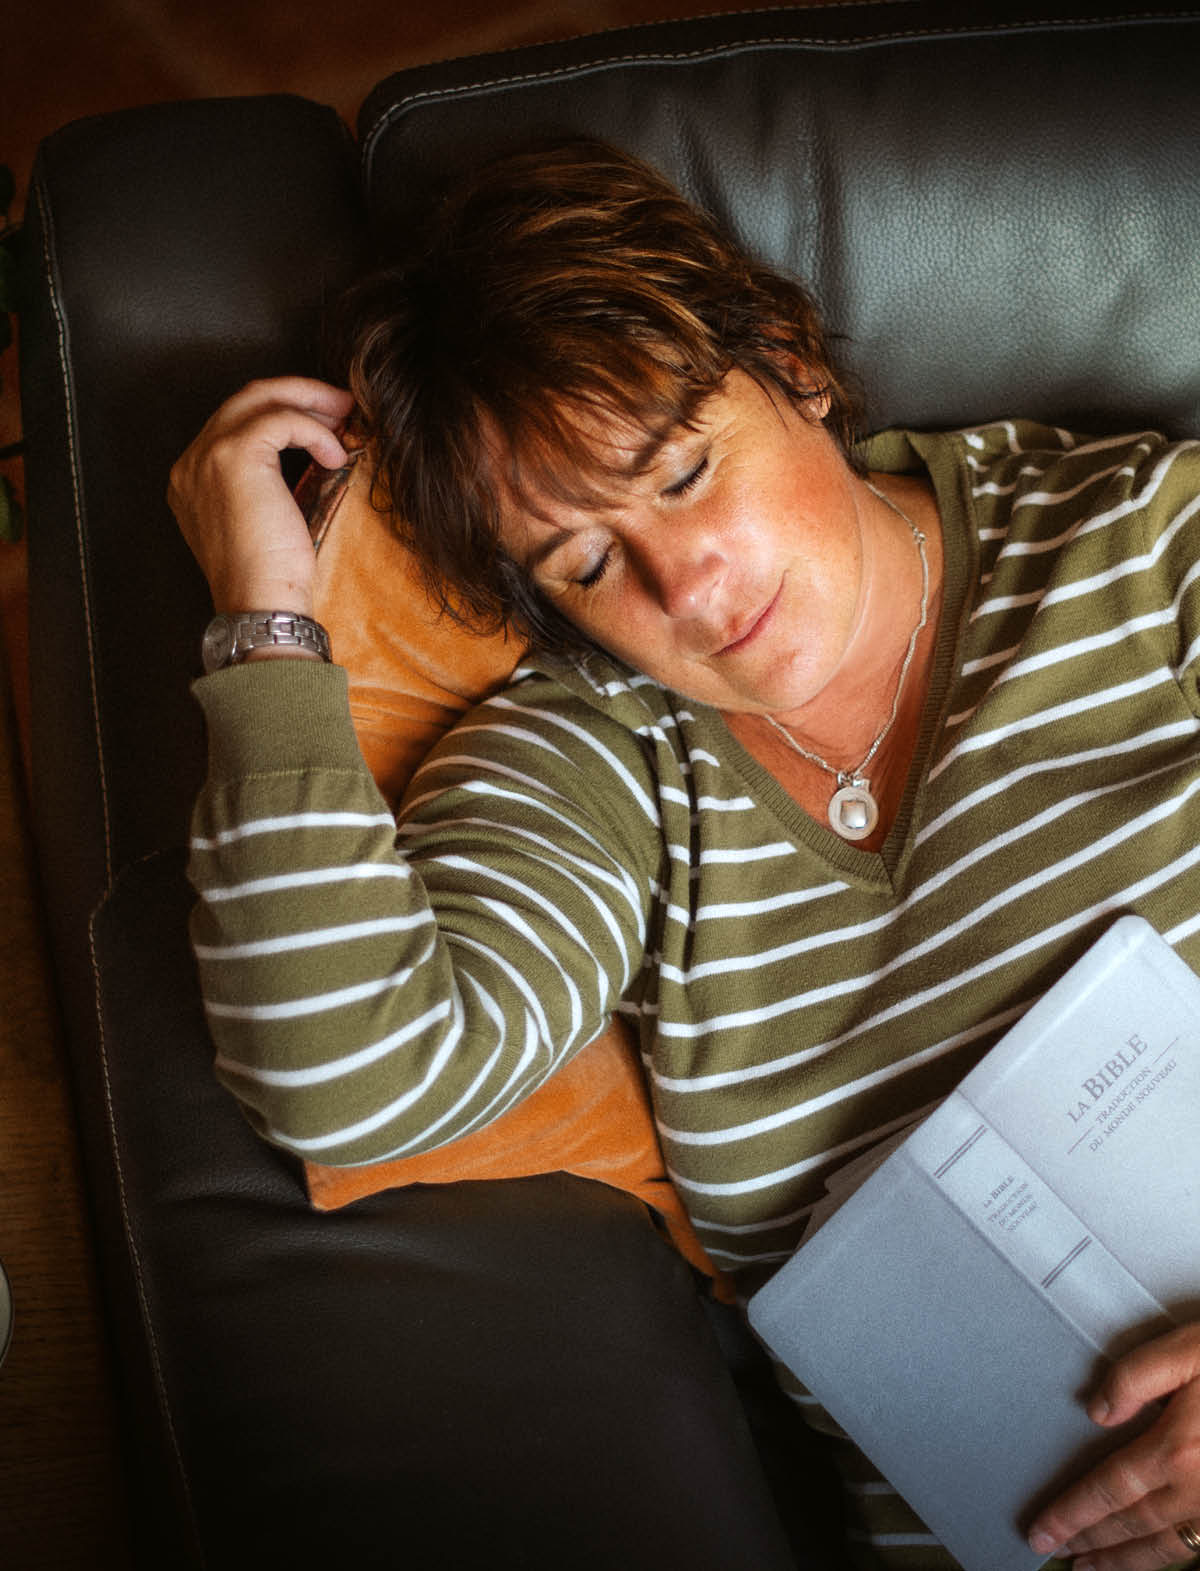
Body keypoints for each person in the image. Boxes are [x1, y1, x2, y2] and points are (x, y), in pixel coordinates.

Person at [169, 139, 1200, 1571]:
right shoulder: (604, 762)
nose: (684, 587)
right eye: (581, 564)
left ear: (792, 365)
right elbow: (346, 1081)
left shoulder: (1149, 551)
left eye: (683, 472)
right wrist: (267, 626)